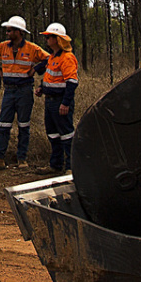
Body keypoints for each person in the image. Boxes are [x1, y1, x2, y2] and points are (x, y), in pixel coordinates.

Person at [0, 15, 49, 167]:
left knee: (24, 125)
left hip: (25, 91)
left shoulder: (32, 48)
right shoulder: (3, 47)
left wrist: (35, 69)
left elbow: (49, 59)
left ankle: (22, 159)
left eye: (9, 30)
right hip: (9, 91)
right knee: (4, 125)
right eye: (7, 31)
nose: (7, 33)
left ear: (19, 32)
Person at [40, 22, 79, 173]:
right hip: (49, 101)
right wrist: (41, 88)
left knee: (67, 135)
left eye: (49, 37)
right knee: (53, 134)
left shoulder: (67, 58)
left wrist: (65, 103)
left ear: (57, 39)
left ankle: (71, 167)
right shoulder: (52, 57)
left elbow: (72, 82)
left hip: (60, 102)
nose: (47, 40)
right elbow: (51, 78)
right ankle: (55, 165)